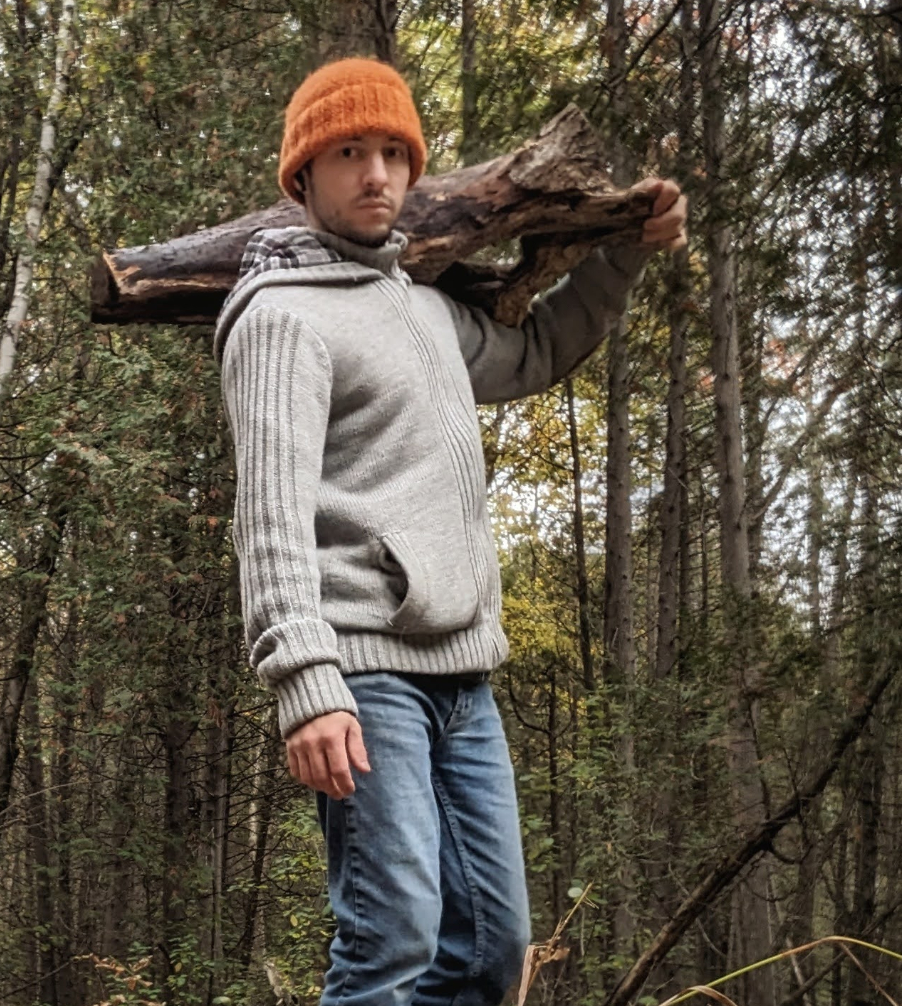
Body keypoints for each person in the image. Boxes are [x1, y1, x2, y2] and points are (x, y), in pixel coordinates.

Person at [213, 58, 687, 1006]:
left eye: (394, 153)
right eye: (349, 153)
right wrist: (306, 683)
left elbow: (538, 350)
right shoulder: (280, 316)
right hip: (364, 672)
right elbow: (269, 513)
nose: (377, 174)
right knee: (391, 941)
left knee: (489, 952)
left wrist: (622, 253)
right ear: (302, 175)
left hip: (464, 677)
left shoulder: (425, 306)